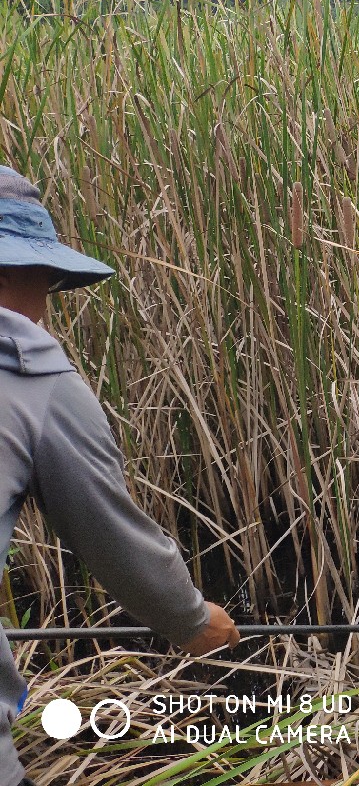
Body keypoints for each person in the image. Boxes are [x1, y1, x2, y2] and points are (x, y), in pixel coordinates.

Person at [0, 165, 239, 785]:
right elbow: (109, 536)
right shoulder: (33, 376)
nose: (46, 308)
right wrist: (189, 619)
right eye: (45, 282)